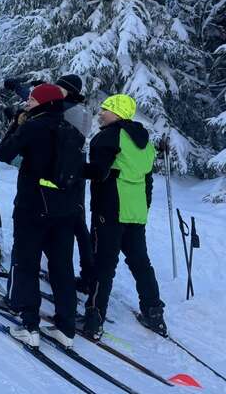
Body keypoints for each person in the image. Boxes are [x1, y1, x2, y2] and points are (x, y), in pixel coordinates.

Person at [0, 83, 82, 349]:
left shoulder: (33, 126)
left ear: (42, 103)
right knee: (62, 266)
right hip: (64, 208)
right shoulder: (71, 130)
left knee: (26, 262)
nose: (27, 103)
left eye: (31, 99)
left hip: (33, 204)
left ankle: (30, 324)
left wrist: (16, 125)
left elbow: (6, 152)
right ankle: (66, 327)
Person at [82, 95, 166, 340]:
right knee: (140, 261)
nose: (100, 113)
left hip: (110, 210)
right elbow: (147, 181)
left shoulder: (108, 136)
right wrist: (144, 207)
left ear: (118, 113)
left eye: (106, 110)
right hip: (135, 211)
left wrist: (70, 168)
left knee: (104, 264)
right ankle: (153, 311)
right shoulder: (144, 143)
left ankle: (94, 318)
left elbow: (98, 172)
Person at [55, 74, 95, 293]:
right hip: (78, 169)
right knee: (78, 222)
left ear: (67, 91)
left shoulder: (66, 109)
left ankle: (65, 272)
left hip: (66, 171)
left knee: (67, 222)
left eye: (58, 88)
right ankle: (88, 273)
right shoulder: (80, 109)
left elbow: (45, 110)